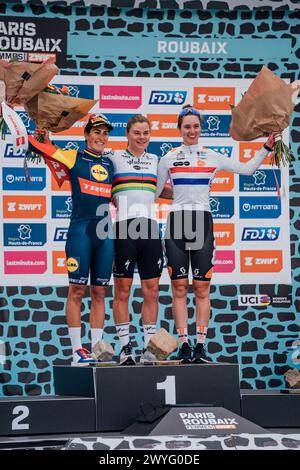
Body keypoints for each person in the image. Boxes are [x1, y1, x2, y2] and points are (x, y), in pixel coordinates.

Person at [155, 105, 275, 364]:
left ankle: (200, 345)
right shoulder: (168, 158)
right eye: (187, 126)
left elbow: (246, 170)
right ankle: (184, 345)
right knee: (178, 287)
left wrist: (266, 147)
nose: (191, 131)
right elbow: (152, 192)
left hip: (202, 222)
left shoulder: (213, 156)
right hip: (176, 221)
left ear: (200, 128)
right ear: (179, 129)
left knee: (201, 287)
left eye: (195, 126)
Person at [28, 114, 115, 365]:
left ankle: (97, 349)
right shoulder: (73, 156)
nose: (101, 137)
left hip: (105, 235)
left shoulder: (111, 164)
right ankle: (77, 351)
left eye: (105, 133)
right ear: (86, 135)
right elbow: (39, 146)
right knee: (77, 291)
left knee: (99, 292)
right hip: (80, 232)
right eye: (96, 132)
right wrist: (39, 129)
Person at [109, 115, 166, 365]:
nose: (142, 137)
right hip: (123, 229)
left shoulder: (156, 160)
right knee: (122, 290)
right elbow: (93, 175)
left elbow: (162, 190)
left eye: (146, 133)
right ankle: (125, 348)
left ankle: (149, 349)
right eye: (137, 133)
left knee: (151, 291)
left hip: (150, 230)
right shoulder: (113, 157)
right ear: (127, 135)